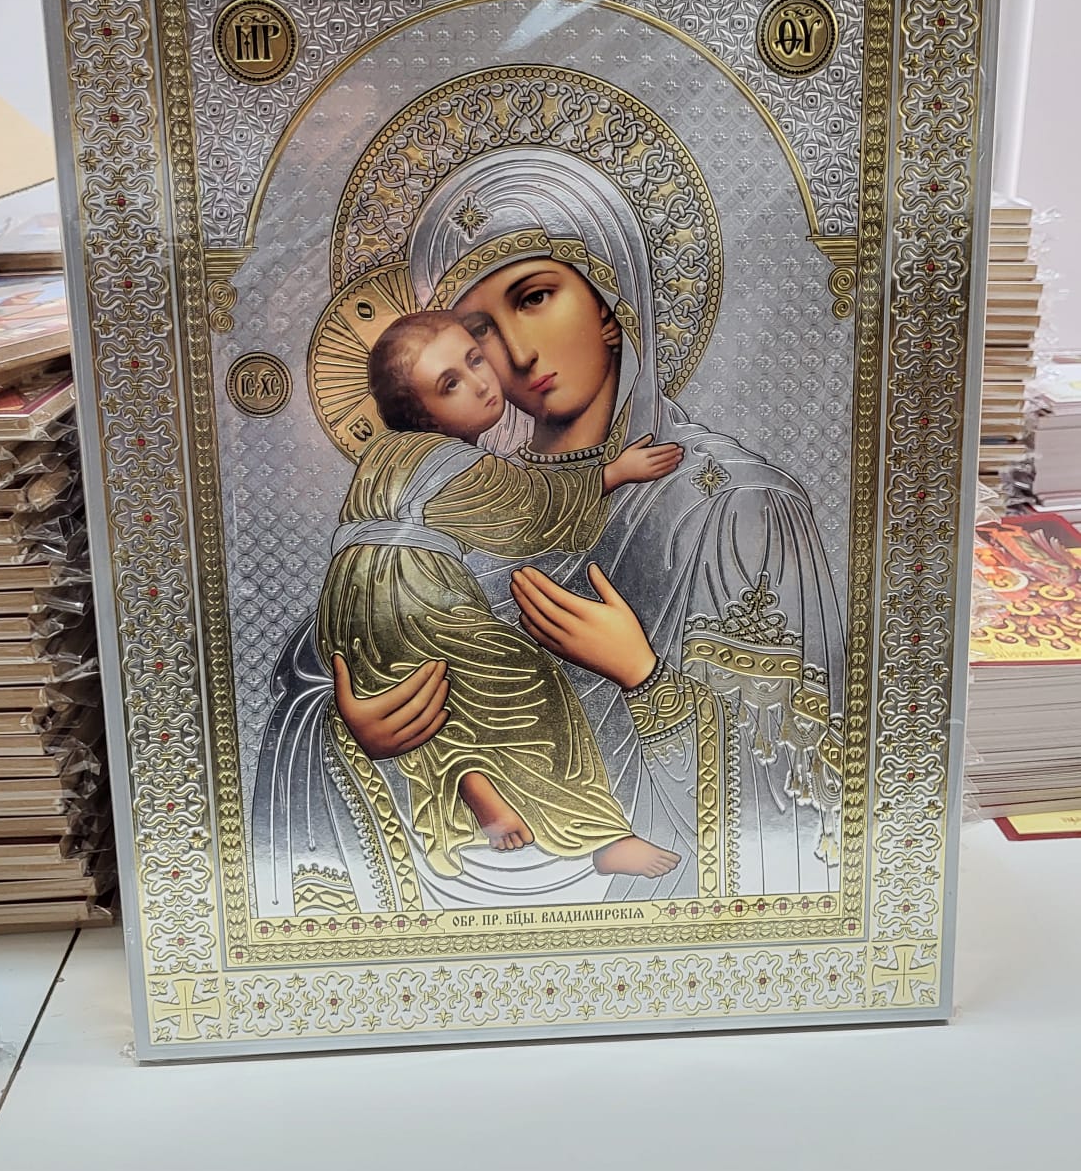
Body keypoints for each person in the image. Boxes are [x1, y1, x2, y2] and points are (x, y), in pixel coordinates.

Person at [332, 147, 846, 901]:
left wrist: (641, 674)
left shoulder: (736, 506)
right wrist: (365, 730)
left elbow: (795, 794)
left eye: (535, 297)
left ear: (609, 304)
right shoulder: (459, 495)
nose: (515, 354)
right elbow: (322, 678)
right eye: (478, 331)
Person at [319, 306, 683, 880]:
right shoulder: (449, 459)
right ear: (422, 415)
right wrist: (612, 474)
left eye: (474, 359)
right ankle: (600, 837)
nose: (481, 381)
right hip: (414, 591)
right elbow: (529, 509)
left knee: (436, 698)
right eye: (450, 384)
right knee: (528, 685)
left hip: (347, 606)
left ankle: (470, 776)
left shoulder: (383, 456)